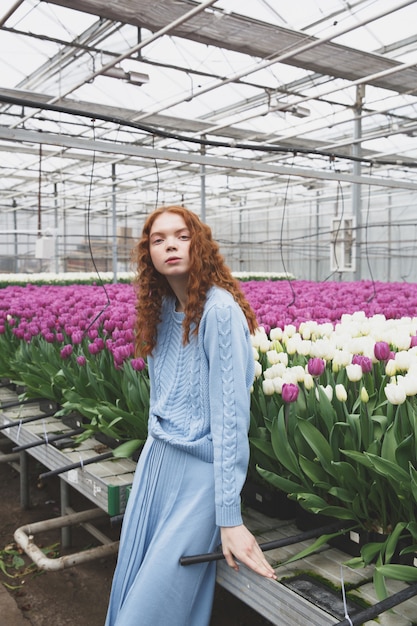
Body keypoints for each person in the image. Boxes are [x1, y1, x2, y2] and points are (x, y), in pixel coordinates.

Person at [105, 205, 276, 626]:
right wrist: (150, 464)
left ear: (198, 244)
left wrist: (229, 517)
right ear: (149, 255)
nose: (170, 246)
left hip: (200, 478)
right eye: (158, 240)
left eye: (181, 236)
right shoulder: (161, 310)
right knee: (130, 588)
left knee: (150, 609)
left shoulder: (219, 312)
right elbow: (161, 398)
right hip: (157, 466)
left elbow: (232, 420)